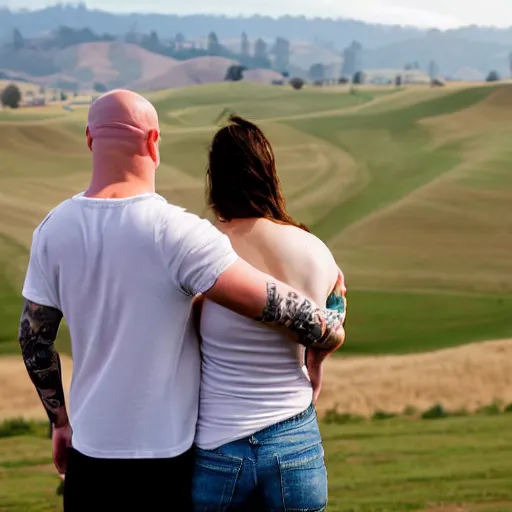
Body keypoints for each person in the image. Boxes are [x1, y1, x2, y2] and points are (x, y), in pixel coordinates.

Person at [17, 90, 346, 512]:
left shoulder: (52, 229)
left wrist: (59, 422)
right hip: (166, 461)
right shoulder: (178, 232)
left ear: (88, 139)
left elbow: (34, 341)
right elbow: (277, 306)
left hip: (90, 454)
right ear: (154, 142)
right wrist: (330, 320)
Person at [191, 115, 347, 512]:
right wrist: (318, 364)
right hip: (295, 441)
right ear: (269, 172)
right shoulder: (314, 248)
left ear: (215, 177)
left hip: (218, 445)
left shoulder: (201, 251)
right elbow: (333, 318)